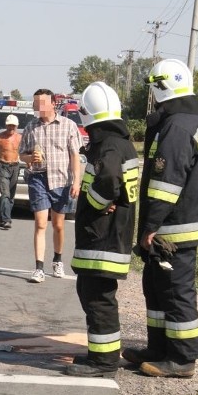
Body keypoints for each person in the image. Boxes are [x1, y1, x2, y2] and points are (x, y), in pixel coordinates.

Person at [122, 58, 198, 378]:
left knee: (175, 290)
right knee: (155, 286)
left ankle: (183, 358)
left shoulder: (176, 126)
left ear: (161, 87)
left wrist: (149, 227)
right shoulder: (193, 119)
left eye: (153, 88)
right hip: (182, 220)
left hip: (175, 226)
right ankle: (159, 348)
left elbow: (165, 184)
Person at [64, 82, 138, 378]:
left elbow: (108, 181)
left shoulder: (108, 145)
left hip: (102, 239)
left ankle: (104, 362)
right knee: (94, 294)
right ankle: (103, 353)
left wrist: (93, 203)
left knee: (97, 298)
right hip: (108, 237)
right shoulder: (118, 142)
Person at [19, 89, 82, 283]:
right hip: (38, 178)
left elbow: (75, 156)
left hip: (61, 180)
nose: (39, 107)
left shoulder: (68, 125)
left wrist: (76, 181)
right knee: (40, 223)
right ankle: (38, 268)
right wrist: (30, 158)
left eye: (43, 103)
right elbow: (22, 154)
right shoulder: (31, 127)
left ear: (54, 103)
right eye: (36, 103)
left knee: (58, 225)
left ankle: (58, 260)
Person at [0, 114, 22, 229]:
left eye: (13, 126)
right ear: (6, 126)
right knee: (5, 194)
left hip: (15, 167)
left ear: (16, 126)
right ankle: (7, 220)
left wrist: (31, 164)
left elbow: (24, 153)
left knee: (11, 196)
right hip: (2, 166)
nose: (11, 128)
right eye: (9, 126)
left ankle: (2, 218)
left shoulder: (19, 138)